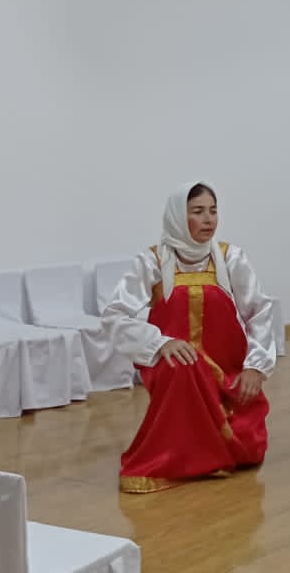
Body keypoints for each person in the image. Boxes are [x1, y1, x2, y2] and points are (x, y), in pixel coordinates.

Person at [109, 183, 277, 494]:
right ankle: (178, 458)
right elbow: (115, 315)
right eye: (198, 211)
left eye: (213, 211)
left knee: (248, 450)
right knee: (184, 367)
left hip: (225, 372)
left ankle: (198, 450)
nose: (208, 219)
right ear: (177, 216)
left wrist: (256, 366)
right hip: (175, 367)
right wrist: (160, 342)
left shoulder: (231, 258)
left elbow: (260, 311)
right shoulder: (152, 261)